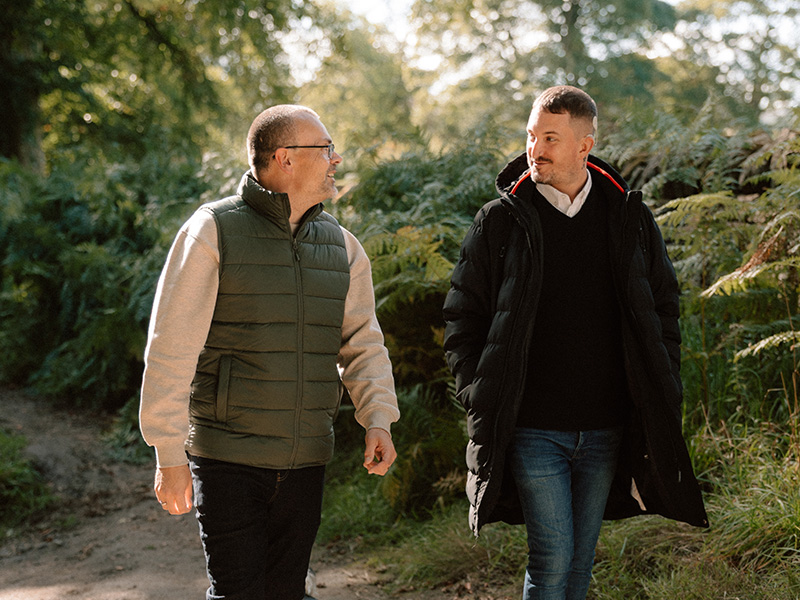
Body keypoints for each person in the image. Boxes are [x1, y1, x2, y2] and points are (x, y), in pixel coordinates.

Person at [442, 86, 708, 600]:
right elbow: (461, 315)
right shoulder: (500, 221)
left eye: (550, 138)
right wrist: (478, 393)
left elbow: (663, 306)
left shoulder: (627, 217)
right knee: (552, 557)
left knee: (581, 562)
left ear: (584, 146)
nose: (534, 150)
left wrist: (662, 380)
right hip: (533, 428)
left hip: (605, 427)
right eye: (530, 135)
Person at [139, 104, 400, 600]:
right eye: (325, 149)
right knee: (238, 593)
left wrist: (378, 418)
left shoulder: (344, 247)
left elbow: (363, 342)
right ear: (284, 158)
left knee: (286, 592)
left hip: (306, 460)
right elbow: (171, 347)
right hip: (227, 457)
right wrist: (168, 454)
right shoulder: (213, 230)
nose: (335, 159)